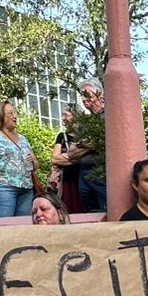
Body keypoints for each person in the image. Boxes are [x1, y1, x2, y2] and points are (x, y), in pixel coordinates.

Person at [54, 80, 107, 214]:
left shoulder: (108, 116)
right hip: (84, 176)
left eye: (86, 94)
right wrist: (91, 144)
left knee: (107, 211)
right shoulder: (84, 123)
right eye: (81, 95)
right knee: (89, 214)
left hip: (102, 174)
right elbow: (72, 153)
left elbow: (104, 141)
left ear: (99, 93)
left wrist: (83, 145)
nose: (83, 99)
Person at [50, 107, 76, 212]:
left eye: (66, 115)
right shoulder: (62, 136)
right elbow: (55, 159)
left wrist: (65, 157)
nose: (63, 118)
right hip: (66, 180)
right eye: (62, 115)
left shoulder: (84, 136)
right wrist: (76, 159)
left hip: (81, 180)